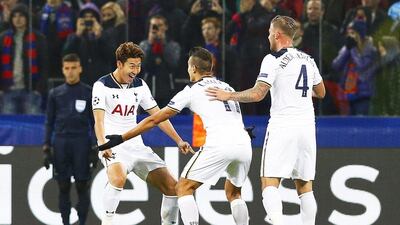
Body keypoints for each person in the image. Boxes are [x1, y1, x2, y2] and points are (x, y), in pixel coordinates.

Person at [97, 46, 253, 225]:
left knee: (182, 188)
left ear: (193, 68)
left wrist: (123, 137)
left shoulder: (192, 90)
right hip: (243, 143)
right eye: (132, 66)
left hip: (219, 145)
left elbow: (155, 118)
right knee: (234, 193)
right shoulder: (226, 87)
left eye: (188, 66)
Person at [206, 15, 325, 225]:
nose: (268, 36)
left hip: (283, 126)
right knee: (305, 186)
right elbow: (321, 92)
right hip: (307, 127)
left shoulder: (273, 59)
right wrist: (297, 93)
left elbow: (258, 93)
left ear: (278, 35)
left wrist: (229, 96)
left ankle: (277, 221)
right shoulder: (308, 59)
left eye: (270, 32)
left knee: (269, 181)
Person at [92, 42, 191, 225]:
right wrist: (101, 143)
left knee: (172, 188)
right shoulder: (101, 85)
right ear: (119, 64)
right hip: (112, 144)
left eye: (138, 66)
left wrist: (178, 140)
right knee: (118, 178)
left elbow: (158, 116)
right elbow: (98, 120)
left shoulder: (140, 85)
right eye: (132, 66)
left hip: (137, 146)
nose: (135, 71)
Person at [43, 53, 97, 225]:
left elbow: (95, 122)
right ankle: (65, 223)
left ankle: (82, 222)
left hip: (81, 142)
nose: (70, 72)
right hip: (61, 142)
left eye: (74, 68)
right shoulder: (55, 93)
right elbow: (49, 122)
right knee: (63, 186)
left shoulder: (89, 92)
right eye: (67, 68)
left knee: (82, 185)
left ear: (80, 69)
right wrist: (46, 146)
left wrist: (96, 146)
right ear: (63, 70)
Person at [0, 3, 48, 114]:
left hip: (31, 91)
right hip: (8, 90)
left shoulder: (38, 38)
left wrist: (38, 89)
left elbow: (44, 65)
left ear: (27, 18)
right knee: (9, 126)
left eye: (21, 16)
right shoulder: (3, 38)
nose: (18, 19)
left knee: (32, 126)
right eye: (14, 16)